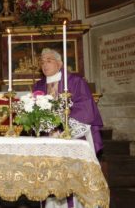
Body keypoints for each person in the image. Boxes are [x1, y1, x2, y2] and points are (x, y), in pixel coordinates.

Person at [33, 48, 104, 208]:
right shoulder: (39, 86)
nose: (44, 64)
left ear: (60, 63)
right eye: (42, 61)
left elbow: (85, 110)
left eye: (49, 60)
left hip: (72, 139)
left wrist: (62, 128)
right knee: (50, 182)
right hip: (47, 143)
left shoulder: (76, 82)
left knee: (74, 182)